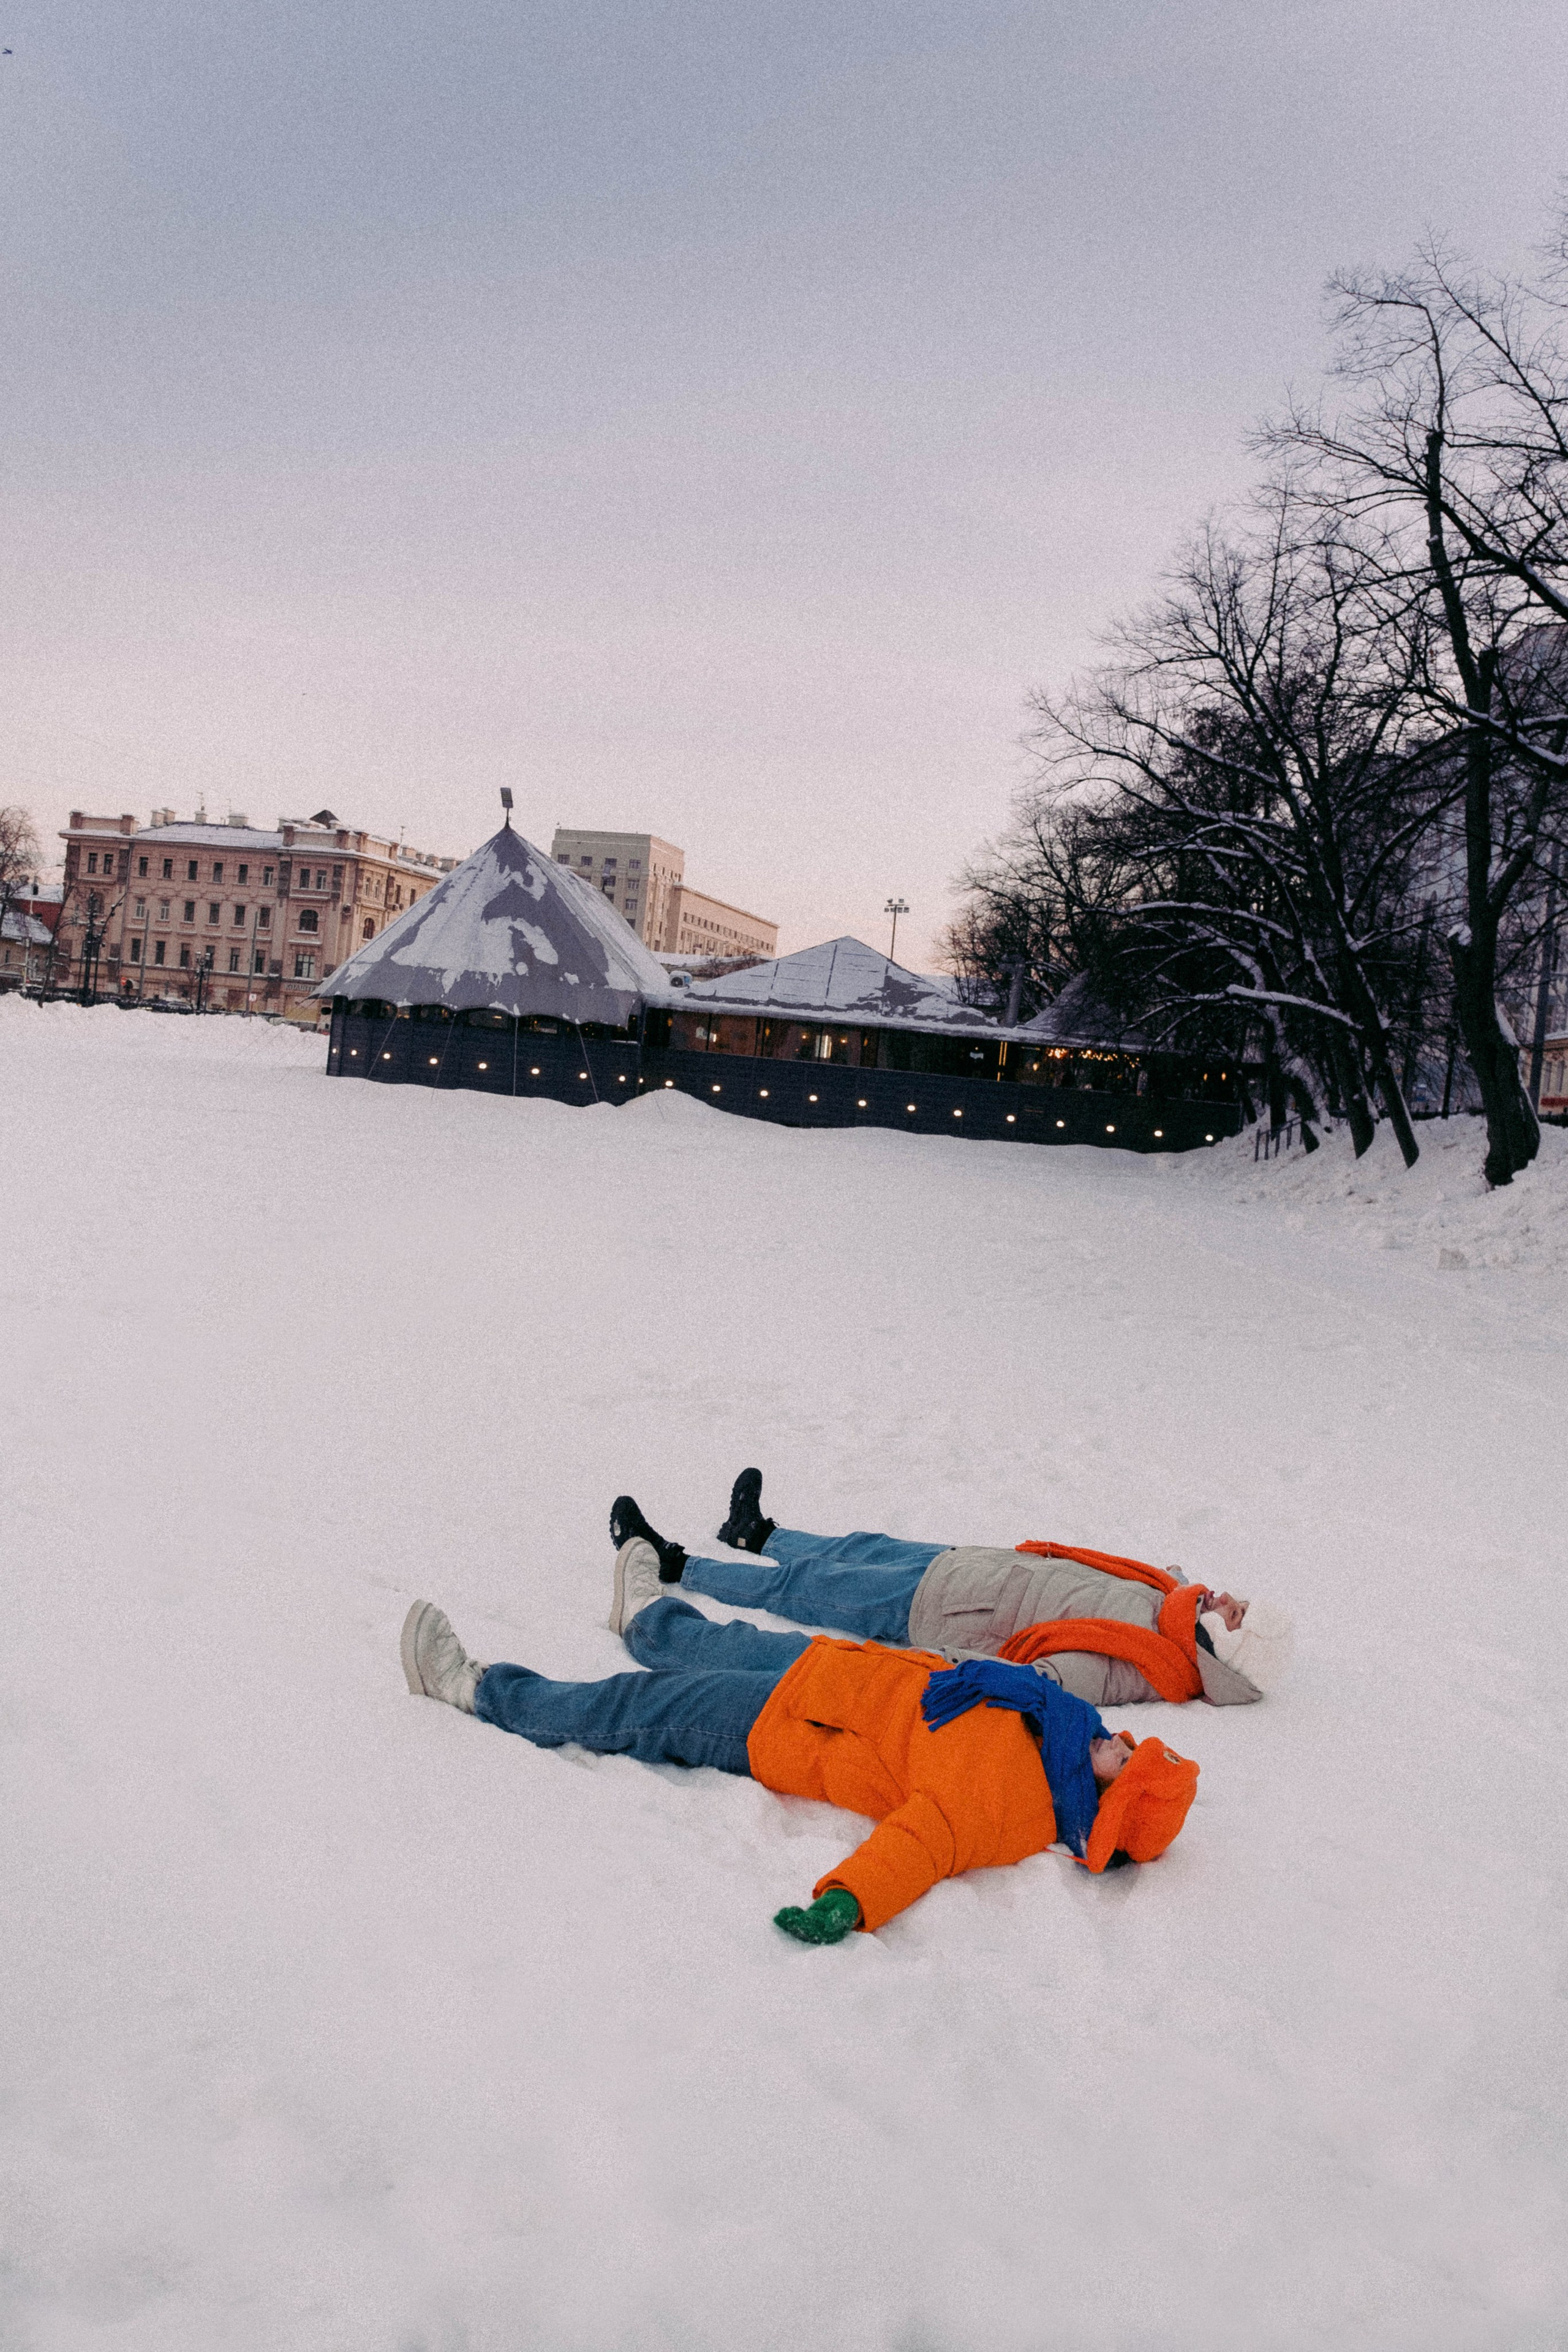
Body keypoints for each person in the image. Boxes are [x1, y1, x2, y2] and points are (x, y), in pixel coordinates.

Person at [399, 1537, 1200, 1945]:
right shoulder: (1055, 1726)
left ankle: (473, 1686)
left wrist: (847, 1904)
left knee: (627, 1707)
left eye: (1130, 1762)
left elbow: (918, 1846)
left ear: (1113, 1799)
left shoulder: (1014, 1808)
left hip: (788, 1732)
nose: (1124, 1742)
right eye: (1134, 1747)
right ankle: (646, 1616)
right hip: (834, 1672)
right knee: (719, 1641)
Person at [605, 1471, 1294, 1708]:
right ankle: (754, 1532)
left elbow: (1041, 1680)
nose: (1228, 1598)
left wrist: (955, 1667)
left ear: (1225, 1648)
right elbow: (1143, 1577)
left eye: (1237, 1613)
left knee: (805, 1589)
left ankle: (676, 1567)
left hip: (940, 1612)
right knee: (858, 1549)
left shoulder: (1145, 1668)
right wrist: (1184, 1590)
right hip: (970, 1567)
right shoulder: (1169, 1599)